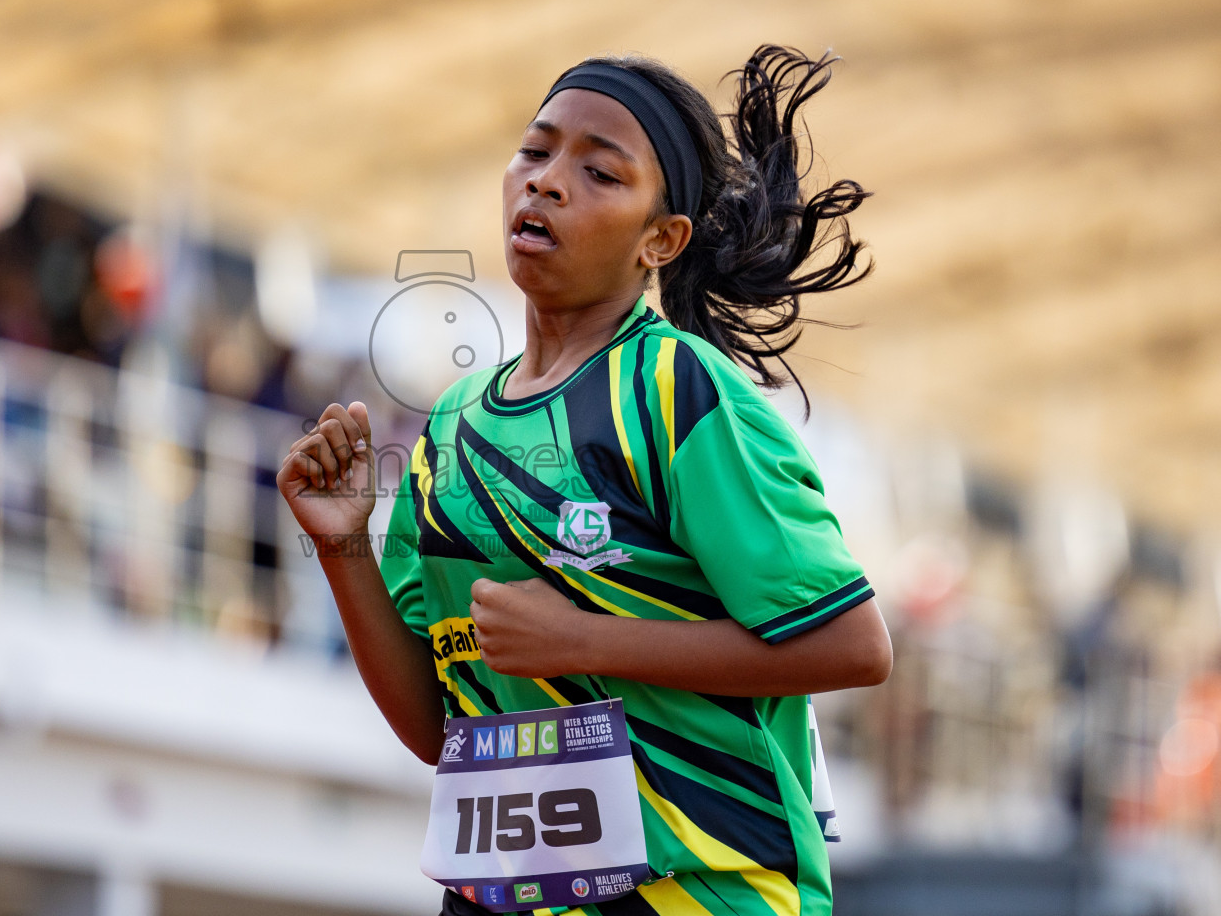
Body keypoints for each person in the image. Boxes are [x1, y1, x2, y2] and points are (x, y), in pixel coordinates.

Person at [277, 46, 893, 916]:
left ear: (661, 240)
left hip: (702, 897)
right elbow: (436, 730)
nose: (548, 182)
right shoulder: (450, 427)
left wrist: (581, 641)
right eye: (535, 152)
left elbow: (853, 645)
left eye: (600, 172)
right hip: (502, 898)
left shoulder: (679, 392)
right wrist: (343, 548)